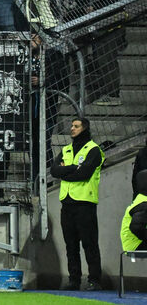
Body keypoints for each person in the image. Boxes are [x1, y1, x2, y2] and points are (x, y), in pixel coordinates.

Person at [51, 117, 104, 291]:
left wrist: (65, 171)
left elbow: (85, 174)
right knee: (70, 245)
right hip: (67, 203)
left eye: (76, 126)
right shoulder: (66, 150)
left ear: (85, 128)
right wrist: (73, 168)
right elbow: (54, 171)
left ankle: (94, 280)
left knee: (89, 243)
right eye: (71, 126)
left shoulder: (94, 150)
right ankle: (74, 280)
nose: (72, 129)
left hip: (84, 203)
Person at [121, 171, 147, 252]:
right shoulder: (143, 203)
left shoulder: (142, 199)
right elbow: (136, 227)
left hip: (136, 242)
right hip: (135, 244)